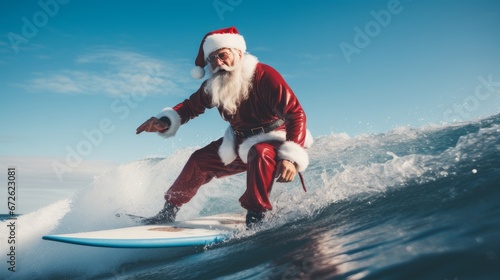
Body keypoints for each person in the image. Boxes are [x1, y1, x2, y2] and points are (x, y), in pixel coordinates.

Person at [136, 27, 313, 228]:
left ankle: (256, 218)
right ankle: (167, 213)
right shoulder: (214, 85)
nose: (218, 62)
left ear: (238, 53)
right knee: (199, 160)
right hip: (237, 141)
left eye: (223, 55)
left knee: (259, 152)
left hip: (274, 139)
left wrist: (291, 157)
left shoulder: (264, 75)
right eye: (212, 59)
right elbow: (190, 107)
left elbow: (295, 113)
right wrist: (165, 121)